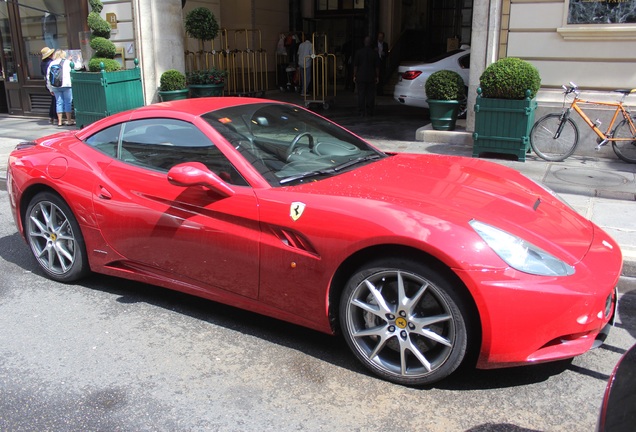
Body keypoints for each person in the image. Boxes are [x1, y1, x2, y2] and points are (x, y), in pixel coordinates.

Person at [46, 50, 75, 127]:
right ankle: (69, 120)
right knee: (67, 102)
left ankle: (59, 121)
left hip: (55, 85)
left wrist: (50, 88)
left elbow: (48, 77)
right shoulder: (68, 62)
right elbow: (77, 67)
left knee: (59, 103)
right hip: (66, 85)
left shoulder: (52, 63)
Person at [353, 36, 379, 117]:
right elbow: (377, 67)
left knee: (361, 94)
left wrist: (354, 75)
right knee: (370, 95)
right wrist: (377, 76)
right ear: (371, 43)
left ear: (364, 42)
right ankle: (369, 111)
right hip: (371, 76)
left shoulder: (358, 52)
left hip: (360, 76)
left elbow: (356, 66)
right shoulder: (374, 53)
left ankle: (361, 111)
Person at [40, 47, 57, 124]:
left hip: (48, 83)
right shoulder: (51, 63)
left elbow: (42, 73)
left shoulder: (42, 63)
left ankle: (51, 117)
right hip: (53, 83)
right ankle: (55, 117)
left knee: (53, 100)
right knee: (56, 100)